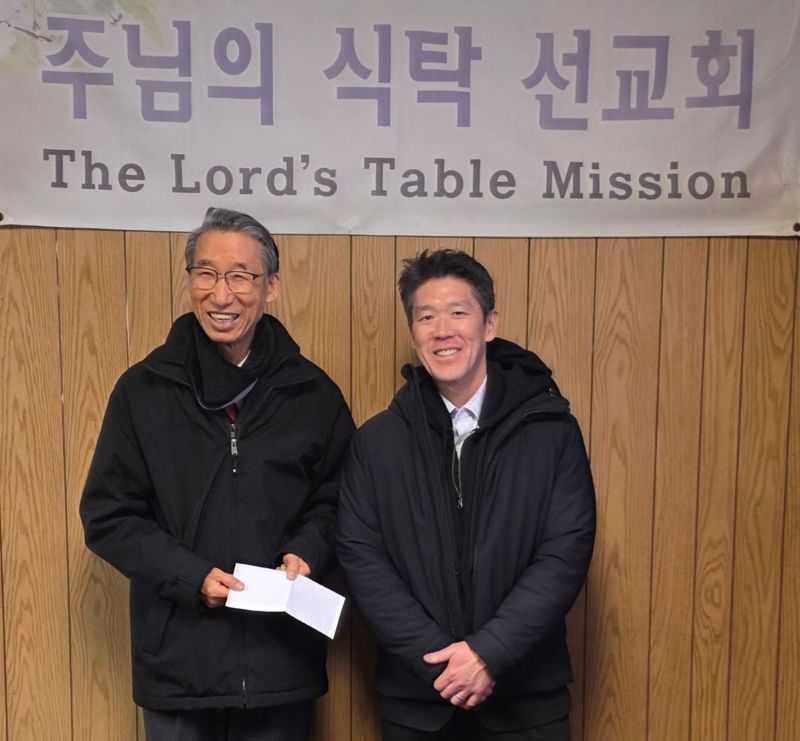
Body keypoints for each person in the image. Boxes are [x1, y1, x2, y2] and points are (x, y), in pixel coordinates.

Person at [80, 207, 354, 741]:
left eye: (240, 276)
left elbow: (340, 498)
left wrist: (308, 551)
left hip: (281, 664)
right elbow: (108, 515)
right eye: (205, 273)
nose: (220, 295)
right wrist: (191, 578)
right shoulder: (143, 391)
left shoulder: (313, 394)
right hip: (178, 667)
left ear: (271, 286)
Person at [337, 249, 596, 740]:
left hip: (527, 700)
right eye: (426, 317)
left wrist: (489, 653)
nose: (442, 330)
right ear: (412, 331)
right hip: (419, 700)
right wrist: (442, 665)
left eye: (458, 312)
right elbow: (362, 558)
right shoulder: (376, 443)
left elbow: (565, 552)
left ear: (489, 323)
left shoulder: (551, 432)